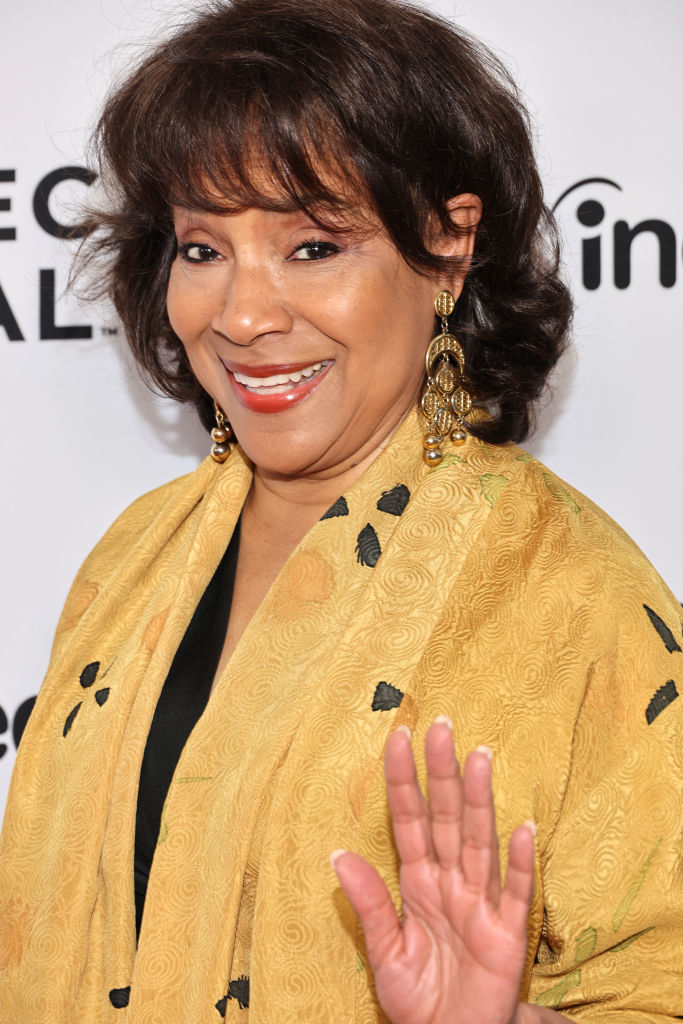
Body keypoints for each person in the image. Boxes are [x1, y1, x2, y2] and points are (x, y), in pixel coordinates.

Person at [0, 0, 681, 1020]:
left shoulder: (570, 591)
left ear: (447, 250)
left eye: (312, 247)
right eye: (201, 248)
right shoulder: (135, 556)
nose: (241, 315)